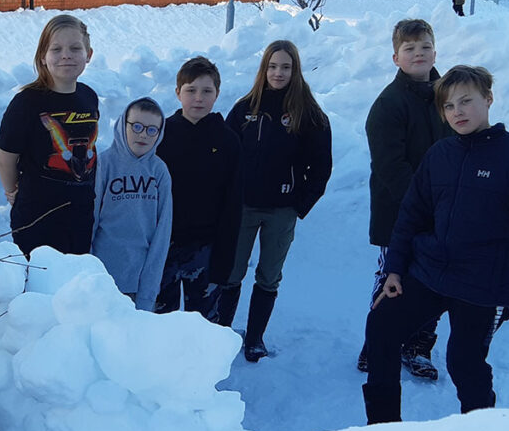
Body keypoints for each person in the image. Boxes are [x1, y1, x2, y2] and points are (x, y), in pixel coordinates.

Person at [363, 65, 509, 424]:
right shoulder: (440, 155)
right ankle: (381, 429)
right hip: (430, 271)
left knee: (464, 362)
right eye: (449, 106)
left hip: (483, 284)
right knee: (382, 328)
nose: (457, 112)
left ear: (489, 100)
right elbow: (410, 217)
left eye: (466, 102)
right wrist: (395, 269)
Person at [220, 41, 332, 361]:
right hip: (243, 207)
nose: (278, 73)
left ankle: (255, 338)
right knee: (231, 273)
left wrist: (301, 203)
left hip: (282, 210)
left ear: (295, 70)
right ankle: (222, 335)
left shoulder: (308, 113)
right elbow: (226, 155)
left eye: (285, 67)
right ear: (263, 69)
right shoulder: (245, 108)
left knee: (269, 276)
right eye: (272, 66)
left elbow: (321, 165)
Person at [357, 19, 452, 380]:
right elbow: (389, 165)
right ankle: (377, 343)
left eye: (424, 47)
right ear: (396, 57)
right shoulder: (388, 104)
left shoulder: (448, 96)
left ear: (434, 51)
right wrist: (423, 205)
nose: (418, 54)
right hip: (398, 212)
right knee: (391, 278)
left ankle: (418, 346)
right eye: (409, 49)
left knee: (433, 281)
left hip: (442, 213)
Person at [0, 14, 99, 258]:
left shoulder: (89, 97)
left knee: (73, 282)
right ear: (43, 57)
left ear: (89, 55)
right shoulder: (27, 102)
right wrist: (12, 191)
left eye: (75, 48)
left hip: (80, 211)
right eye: (56, 49)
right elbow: (5, 156)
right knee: (40, 283)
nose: (66, 55)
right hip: (38, 214)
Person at [154, 56, 242, 323]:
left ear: (217, 94)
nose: (198, 98)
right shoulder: (160, 135)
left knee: (203, 322)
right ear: (178, 92)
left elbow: (233, 202)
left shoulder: (227, 140)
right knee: (160, 320)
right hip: (164, 245)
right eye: (191, 90)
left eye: (207, 91)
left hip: (206, 249)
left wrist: (225, 259)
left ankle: (200, 364)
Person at [92, 97, 173, 311]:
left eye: (151, 130)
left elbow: (162, 232)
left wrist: (148, 291)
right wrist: (87, 272)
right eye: (136, 126)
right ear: (123, 124)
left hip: (138, 280)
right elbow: (90, 219)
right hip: (102, 277)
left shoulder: (159, 171)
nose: (143, 134)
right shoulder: (104, 164)